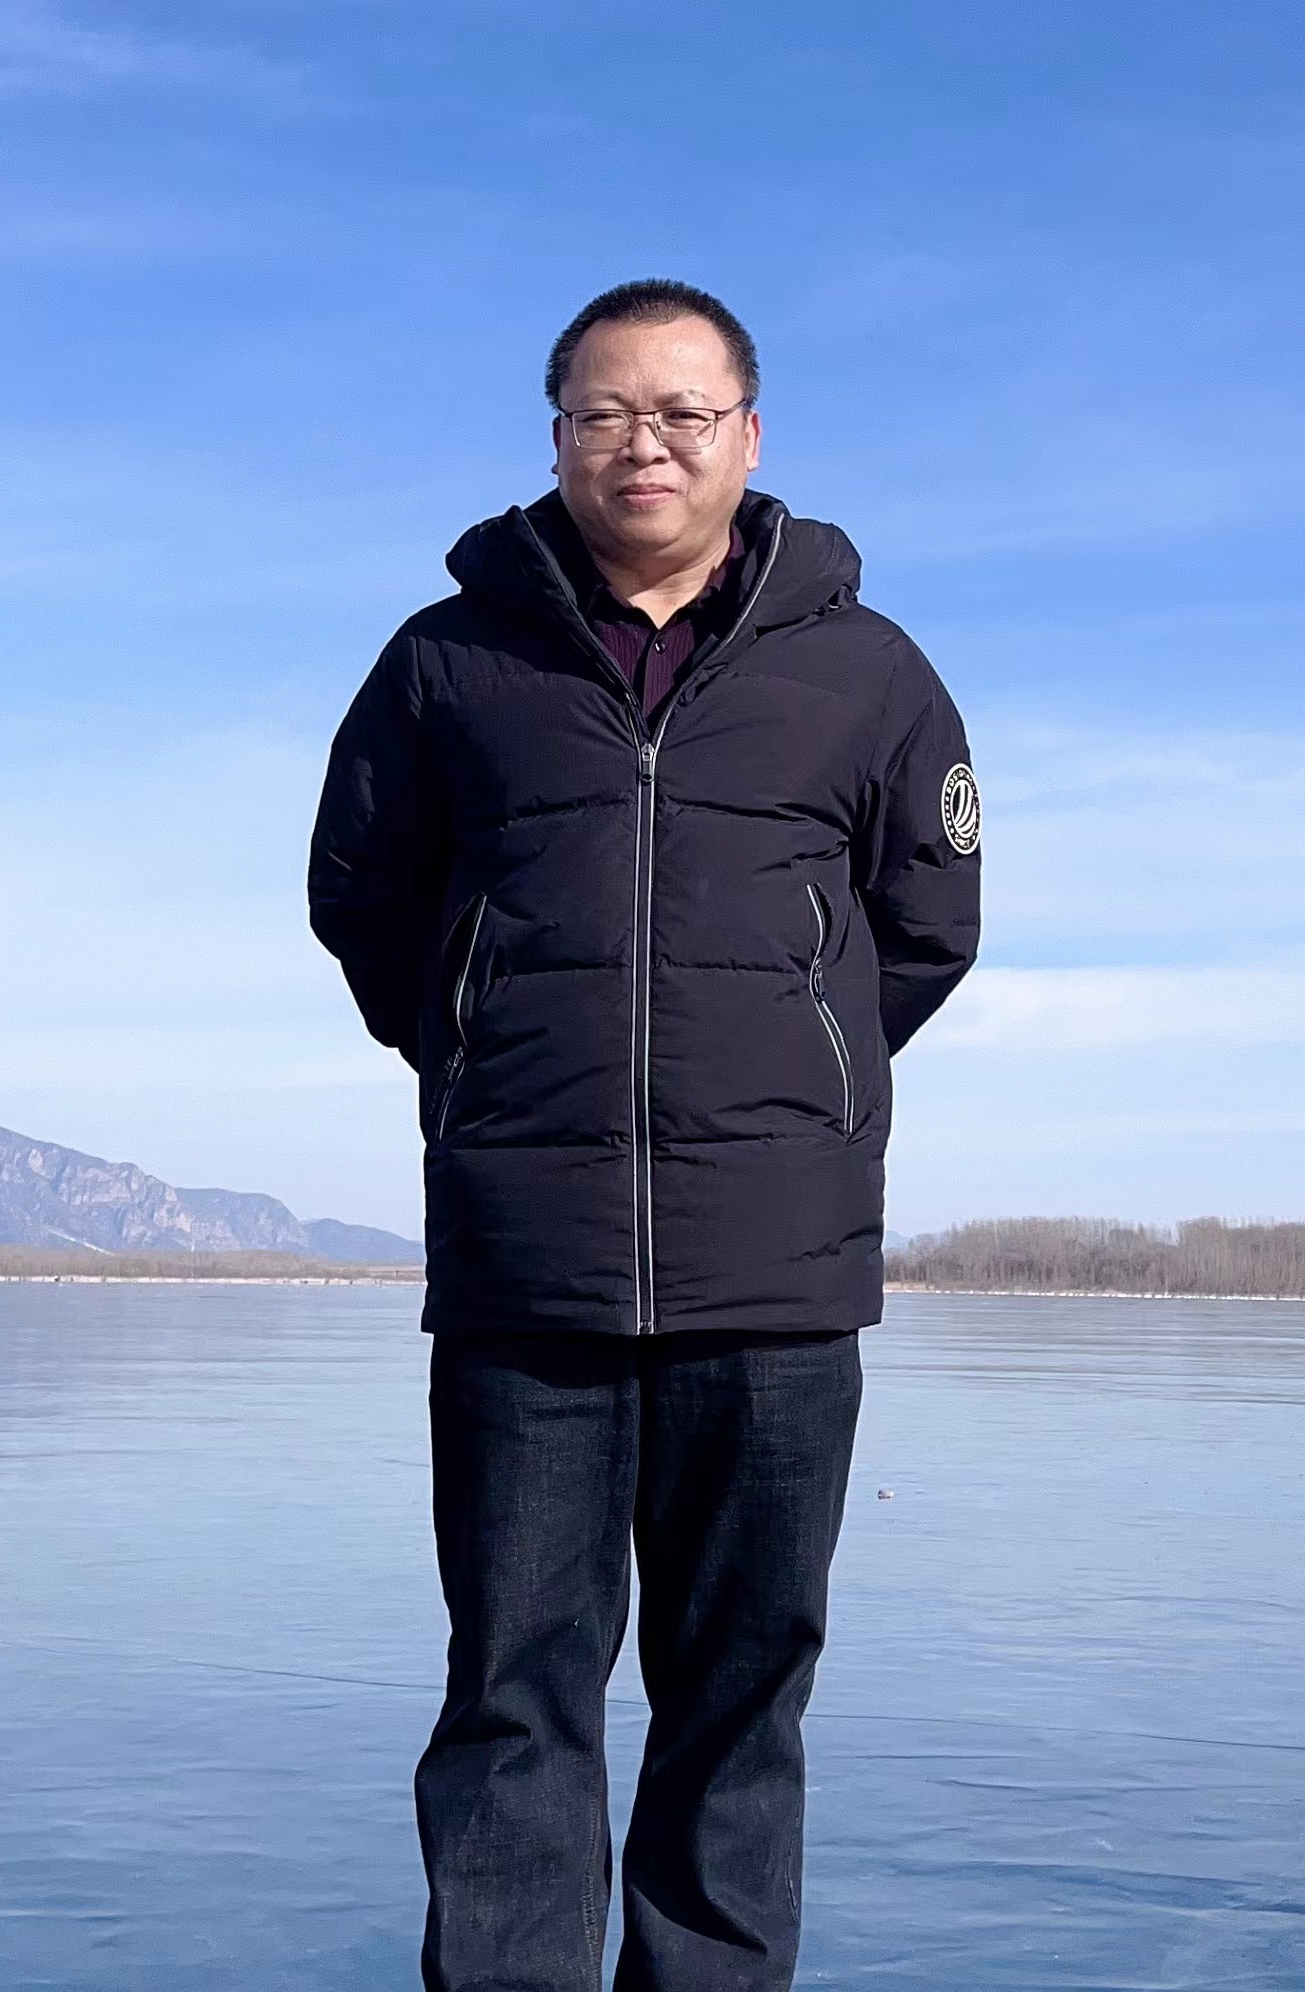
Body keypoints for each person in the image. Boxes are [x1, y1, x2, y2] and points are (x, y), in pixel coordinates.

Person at [308, 278, 980, 1992]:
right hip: (526, 1264)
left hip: (776, 1270)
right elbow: (364, 897)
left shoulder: (867, 670)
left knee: (742, 1699)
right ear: (557, 439)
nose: (645, 445)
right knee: (513, 1696)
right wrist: (485, 1057)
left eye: (683, 413)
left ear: (748, 435)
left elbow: (926, 926)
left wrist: (801, 1071)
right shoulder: (449, 659)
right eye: (605, 413)